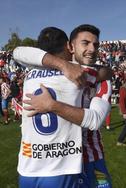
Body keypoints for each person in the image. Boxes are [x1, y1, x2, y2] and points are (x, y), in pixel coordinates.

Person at [13, 26, 110, 188]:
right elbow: (104, 74)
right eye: (85, 43)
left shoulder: (30, 74)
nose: (92, 49)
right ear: (69, 46)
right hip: (61, 167)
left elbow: (18, 52)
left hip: (28, 167)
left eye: (95, 45)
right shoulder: (85, 73)